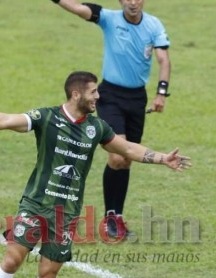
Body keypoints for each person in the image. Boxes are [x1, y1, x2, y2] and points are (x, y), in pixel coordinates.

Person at [0, 71, 190, 278]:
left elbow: (127, 149)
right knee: (13, 258)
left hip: (67, 211)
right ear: (76, 94)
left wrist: (162, 158)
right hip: (36, 203)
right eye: (93, 92)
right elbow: (7, 120)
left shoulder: (96, 128)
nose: (98, 96)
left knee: (48, 275)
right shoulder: (47, 117)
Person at [50, 0, 171, 239]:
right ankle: (110, 220)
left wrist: (161, 93)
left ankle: (115, 218)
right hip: (111, 96)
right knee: (117, 155)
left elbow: (163, 60)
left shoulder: (154, 25)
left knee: (127, 159)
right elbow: (78, 8)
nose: (133, 2)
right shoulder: (108, 18)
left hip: (137, 98)